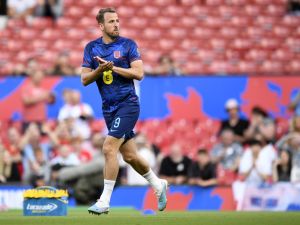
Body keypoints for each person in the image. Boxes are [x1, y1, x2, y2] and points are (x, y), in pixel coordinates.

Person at [80, 7, 167, 215]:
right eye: (111, 21)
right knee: (129, 156)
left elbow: (139, 73)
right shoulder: (91, 48)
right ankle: (158, 184)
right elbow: (84, 79)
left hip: (127, 105)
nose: (116, 24)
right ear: (101, 26)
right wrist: (99, 70)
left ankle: (104, 200)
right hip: (108, 109)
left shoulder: (128, 45)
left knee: (109, 148)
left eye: (117, 20)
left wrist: (113, 68)